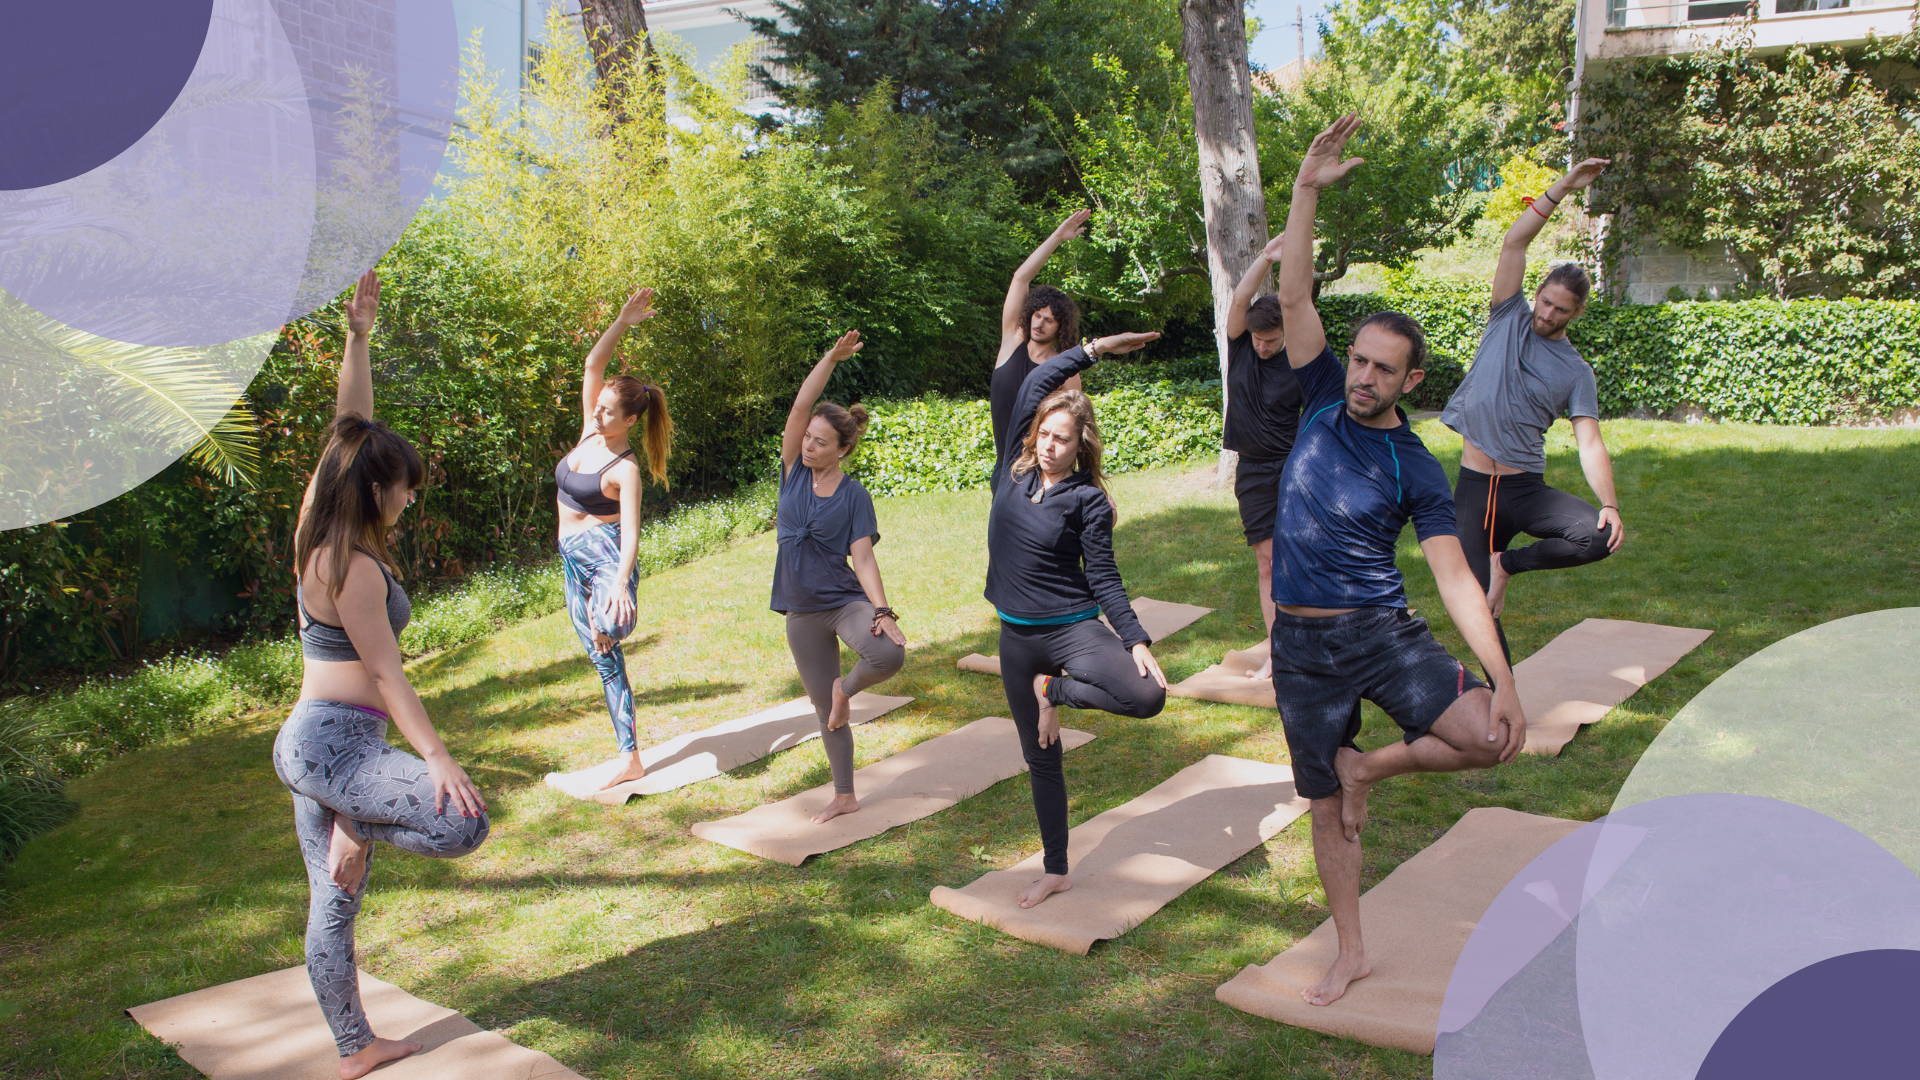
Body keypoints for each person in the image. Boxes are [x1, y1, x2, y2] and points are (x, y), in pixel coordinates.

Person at [1270, 115, 1528, 1007]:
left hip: (1380, 634)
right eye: (1361, 360)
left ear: (1412, 382)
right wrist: (1305, 191)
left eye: (1384, 370)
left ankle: (1367, 768)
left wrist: (1507, 676)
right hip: (1299, 648)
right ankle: (1350, 949)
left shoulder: (1413, 463)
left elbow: (1455, 575)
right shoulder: (1316, 402)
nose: (1364, 377)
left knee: (1489, 735)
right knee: (1321, 811)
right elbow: (1295, 296)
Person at [273, 270, 490, 1080]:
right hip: (338, 749)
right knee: (460, 823)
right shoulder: (353, 569)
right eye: (404, 492)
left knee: (333, 901)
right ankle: (355, 824)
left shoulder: (314, 528)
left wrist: (359, 339)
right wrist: (436, 758)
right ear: (374, 488)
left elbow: (347, 430)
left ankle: (356, 1049)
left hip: (312, 745)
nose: (408, 503)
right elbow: (390, 678)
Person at [987, 327, 1170, 909]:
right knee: (1041, 760)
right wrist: (1093, 350)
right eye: (1044, 433)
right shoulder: (1011, 472)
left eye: (1061, 439)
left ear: (1079, 446)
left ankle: (1054, 691)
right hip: (1016, 638)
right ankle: (1057, 869)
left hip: (1072, 629)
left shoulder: (1088, 501)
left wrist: (1135, 639)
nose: (1048, 445)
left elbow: (1105, 578)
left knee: (1147, 698)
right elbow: (1038, 381)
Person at [1441, 158, 1623, 659]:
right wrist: (1563, 185)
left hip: (1523, 487)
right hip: (1476, 487)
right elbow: (1515, 242)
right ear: (1536, 294)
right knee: (1474, 607)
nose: (1546, 314)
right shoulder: (1507, 316)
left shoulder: (1575, 372)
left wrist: (1608, 504)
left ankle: (1509, 564)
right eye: (1544, 301)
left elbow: (1589, 441)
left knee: (1596, 538)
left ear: (1577, 313)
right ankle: (1503, 694)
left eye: (1560, 309)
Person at [773, 329, 907, 824]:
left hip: (842, 600)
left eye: (820, 442)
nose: (808, 445)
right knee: (820, 711)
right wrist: (830, 357)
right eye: (807, 437)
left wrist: (882, 610)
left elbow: (864, 559)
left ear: (842, 450)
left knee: (888, 653)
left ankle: (844, 690)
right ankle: (845, 793)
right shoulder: (791, 471)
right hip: (801, 611)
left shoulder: (854, 496)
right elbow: (799, 406)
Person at [553, 288, 673, 790]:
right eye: (597, 407)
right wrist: (622, 321)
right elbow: (592, 365)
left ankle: (616, 618)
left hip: (605, 560)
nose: (597, 414)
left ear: (629, 421)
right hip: (570, 561)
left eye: (607, 412)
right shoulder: (587, 435)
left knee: (611, 626)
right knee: (602, 661)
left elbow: (630, 534)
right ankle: (630, 758)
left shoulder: (625, 469)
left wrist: (622, 582)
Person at [1220, 231, 1301, 681]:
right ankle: (1277, 653)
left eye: (1271, 339)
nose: (1263, 346)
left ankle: (1312, 640)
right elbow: (1238, 299)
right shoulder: (1241, 347)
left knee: (1300, 558)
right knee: (1268, 562)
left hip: (1293, 468)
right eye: (1258, 339)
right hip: (1252, 470)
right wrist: (1266, 258)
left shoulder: (1301, 359)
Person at [991, 210, 1091, 474]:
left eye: (1049, 320)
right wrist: (1058, 237)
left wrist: (1090, 480)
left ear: (1060, 327)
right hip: (1003, 470)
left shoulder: (1065, 368)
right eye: (1037, 315)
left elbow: (1080, 428)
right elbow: (1021, 278)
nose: (1040, 323)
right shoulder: (1011, 341)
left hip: (1042, 472)